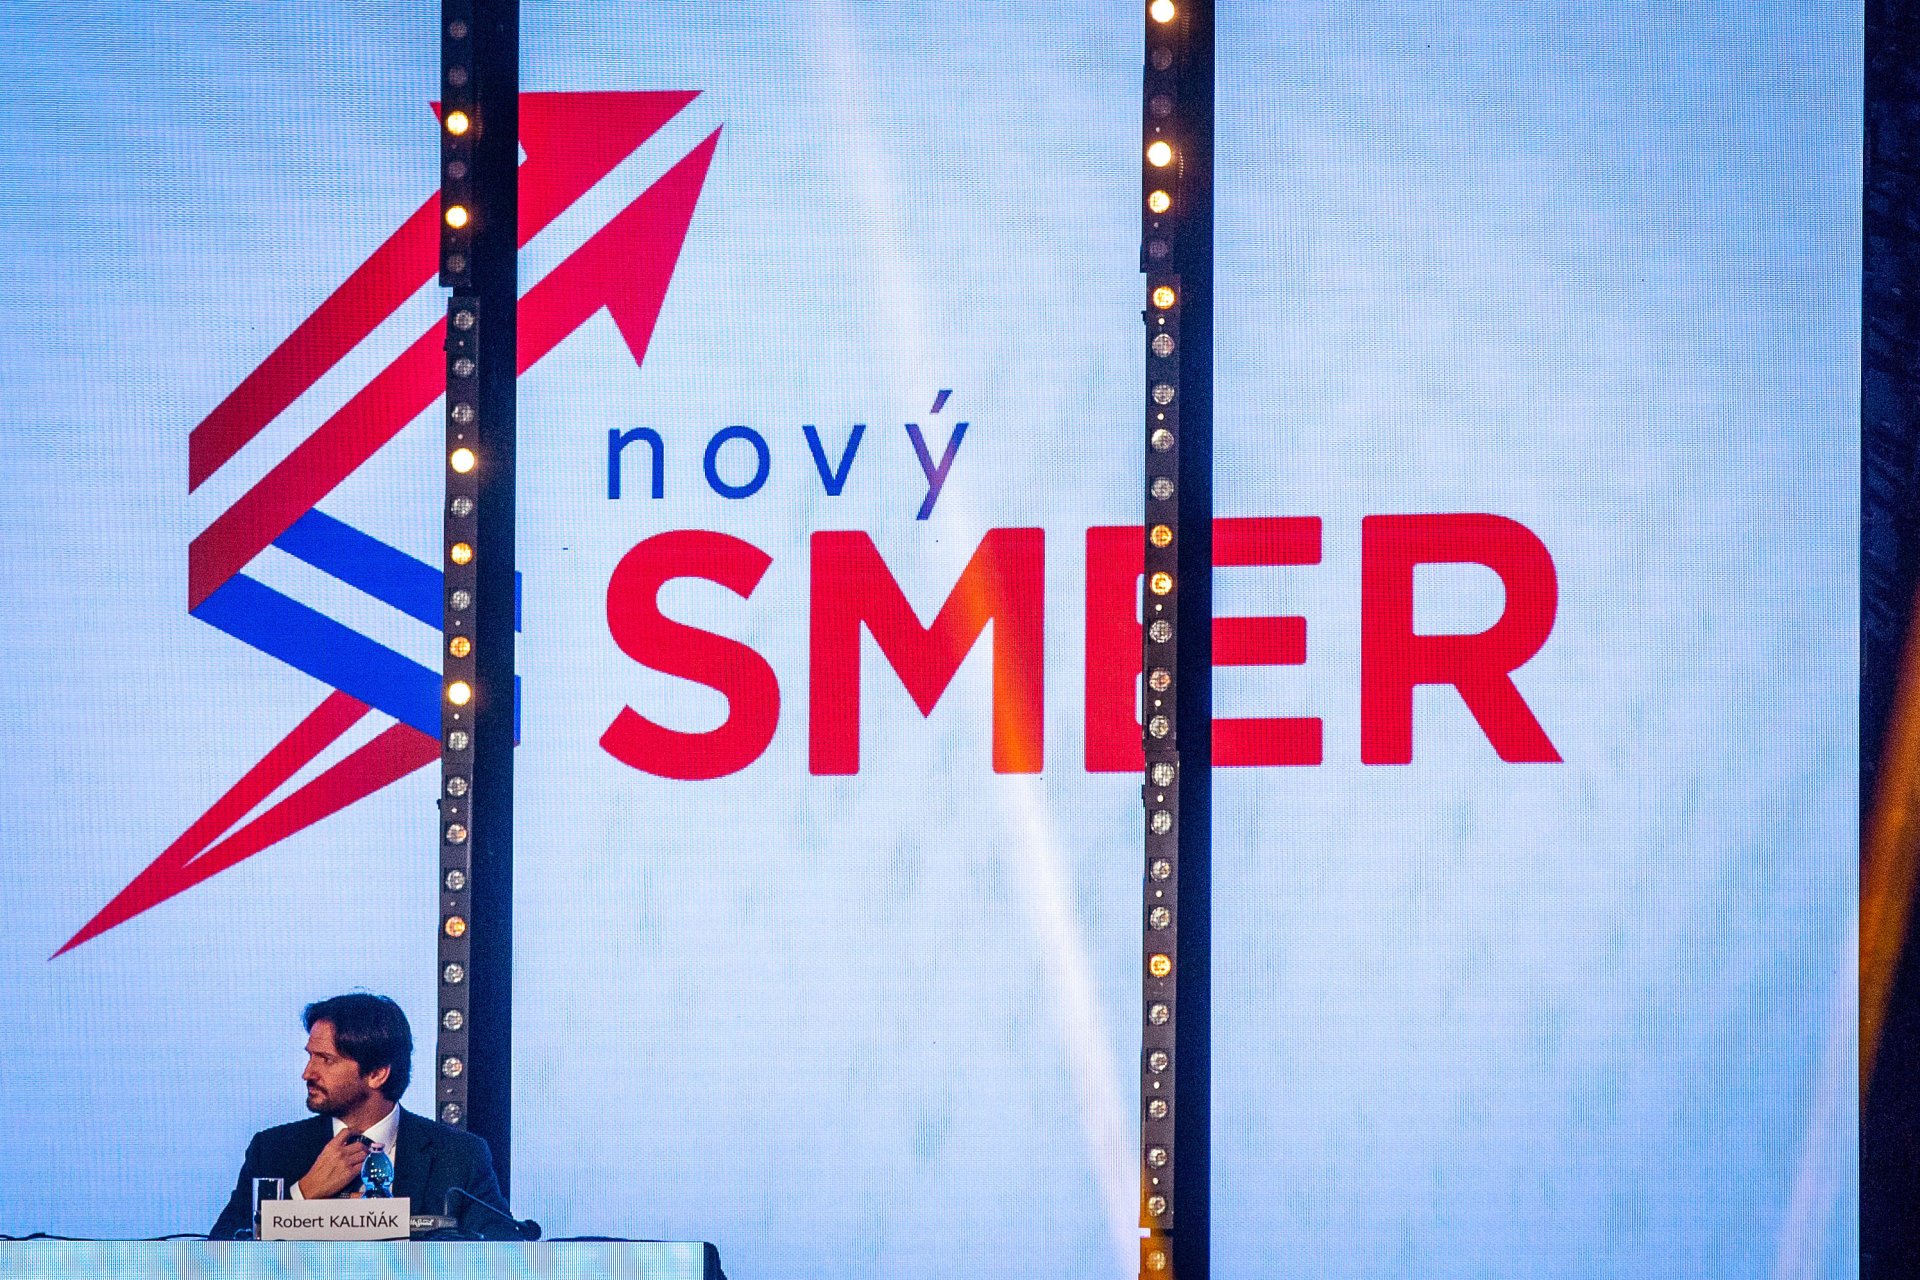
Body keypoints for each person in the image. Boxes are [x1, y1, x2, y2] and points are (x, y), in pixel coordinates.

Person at [209, 992, 508, 1239]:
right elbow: (220, 1255)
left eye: (326, 1060)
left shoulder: (459, 1156)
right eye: (310, 1056)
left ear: (377, 1074)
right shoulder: (273, 1150)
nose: (307, 1073)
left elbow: (506, 1255)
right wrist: (303, 1195)